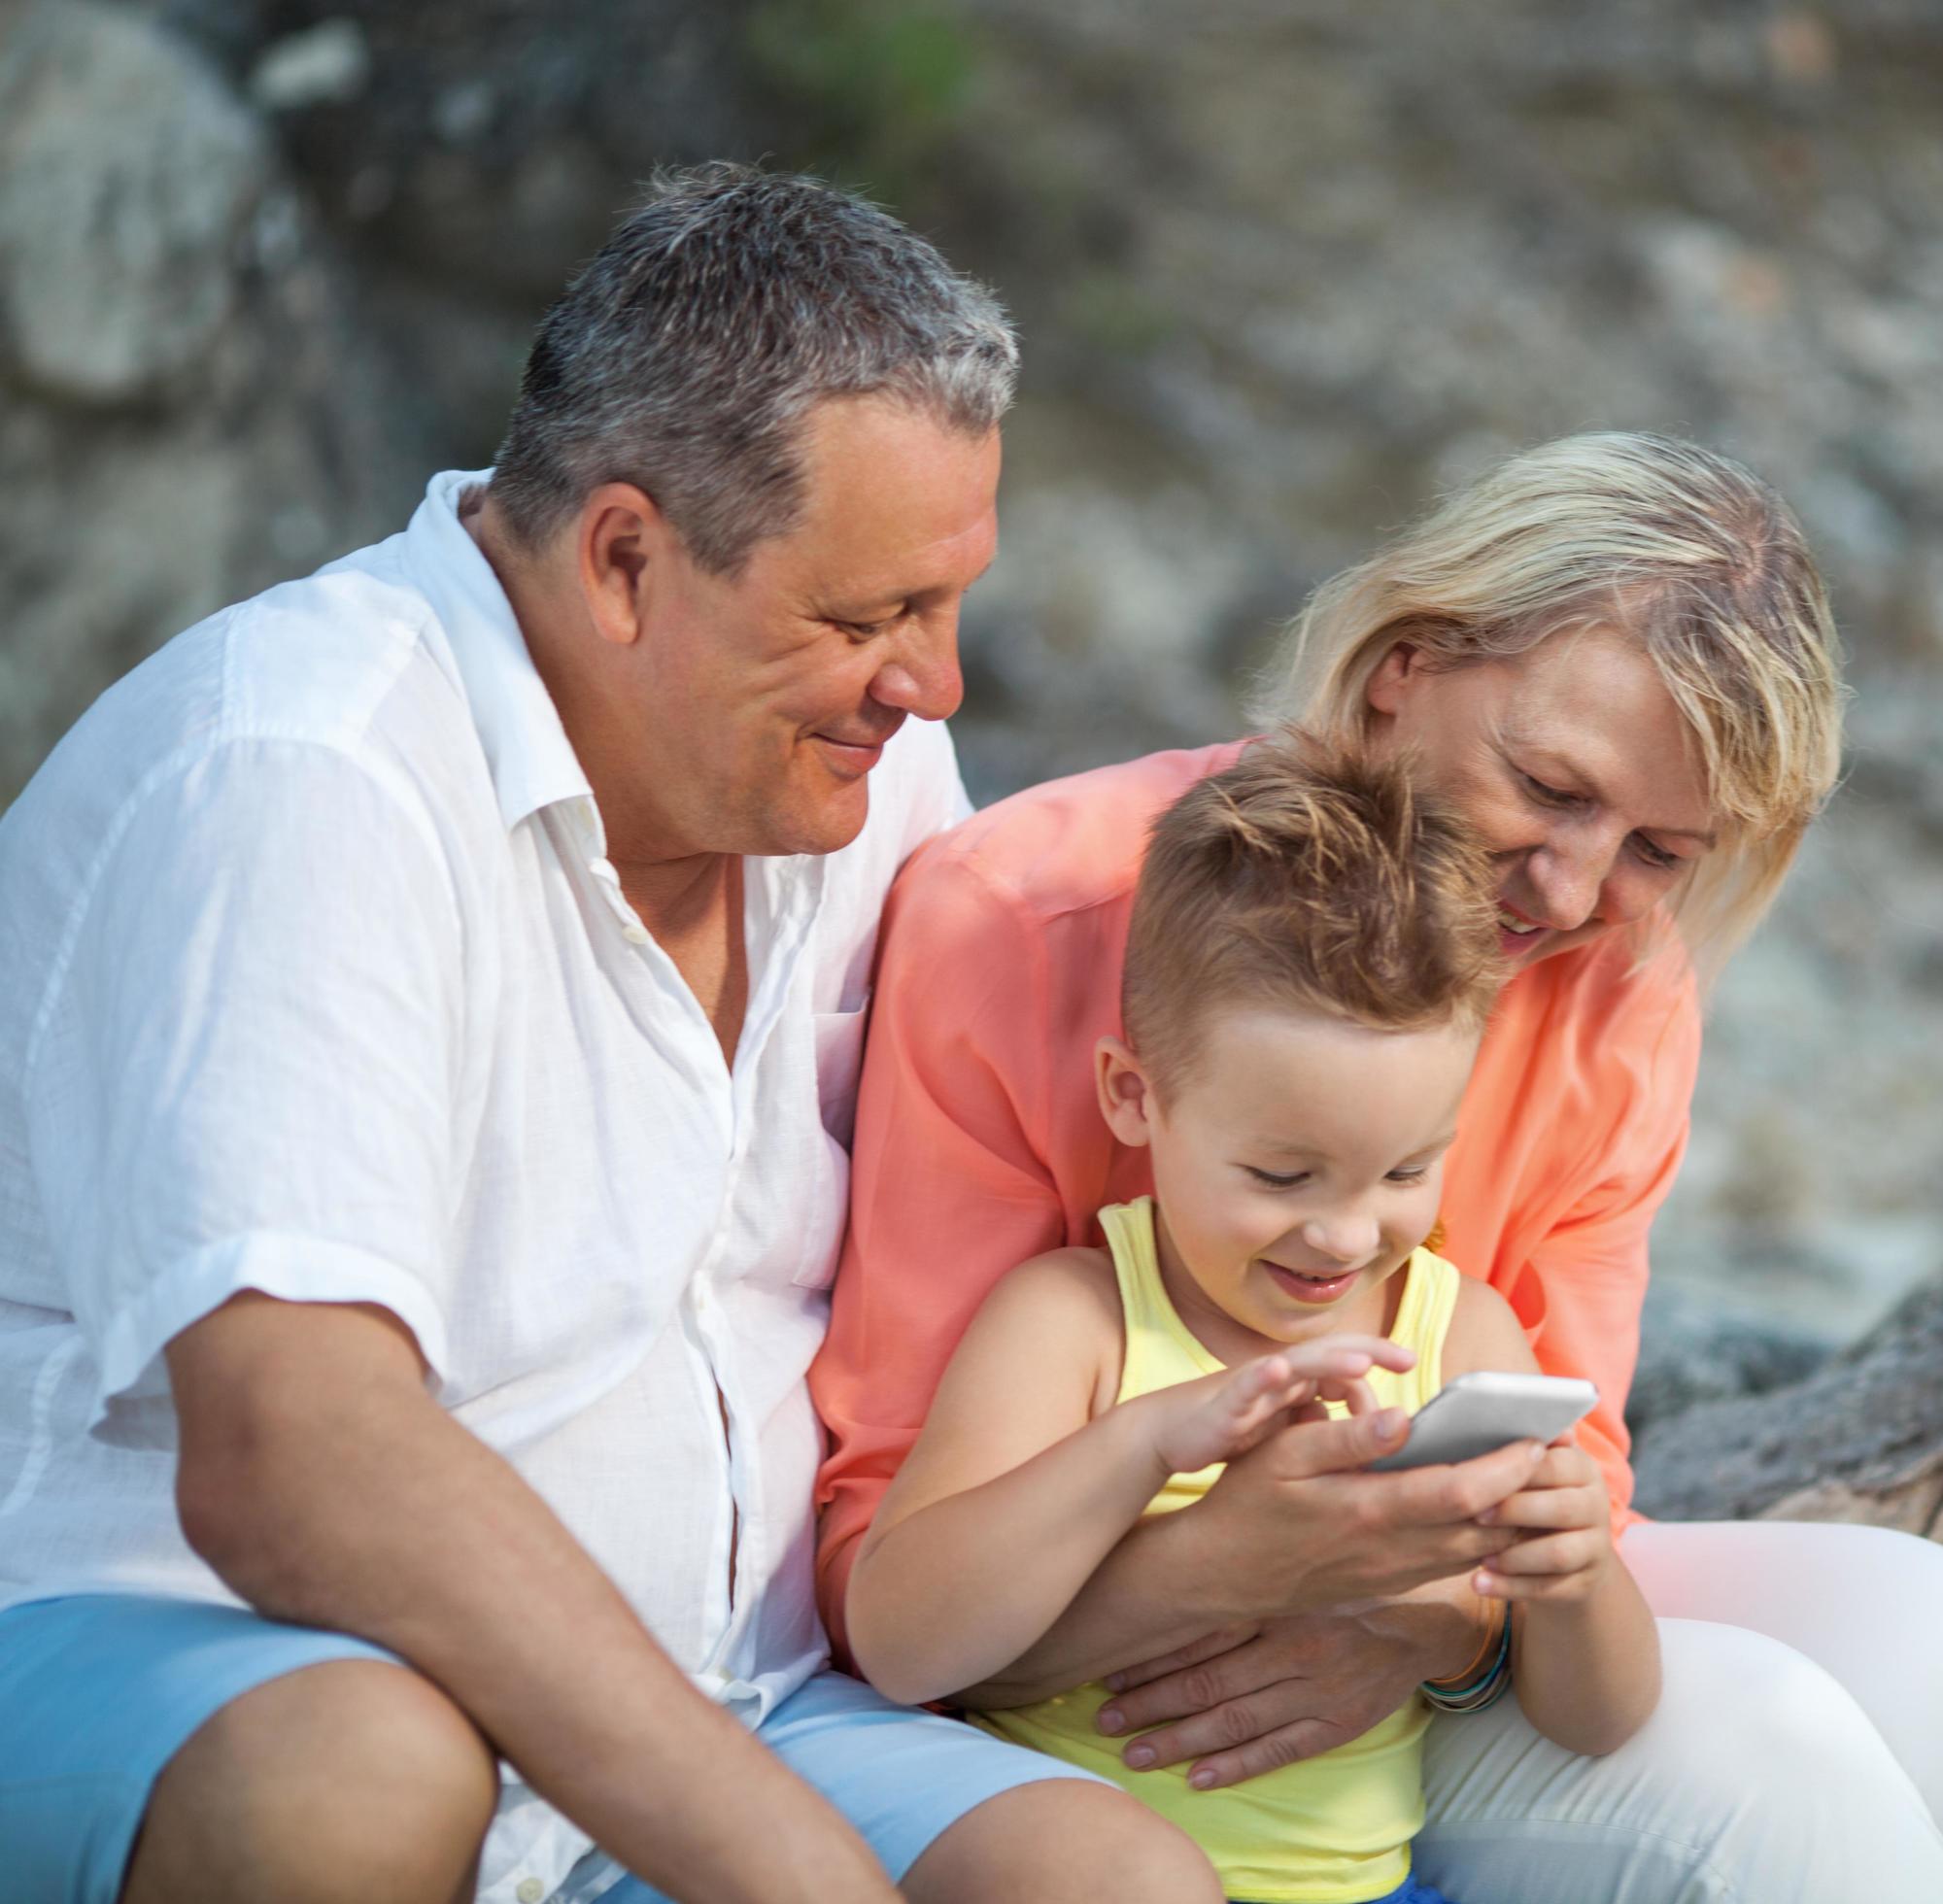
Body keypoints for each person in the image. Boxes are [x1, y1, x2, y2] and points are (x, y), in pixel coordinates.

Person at [0, 166, 1220, 1904]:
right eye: (866, 617)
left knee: (1109, 1887)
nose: (933, 686)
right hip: (187, 1660)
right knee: (352, 1783)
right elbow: (293, 1454)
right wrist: (797, 1877)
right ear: (627, 558)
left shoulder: (856, 773)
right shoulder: (298, 770)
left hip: (737, 1703)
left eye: (949, 608)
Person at [814, 431, 1943, 1902]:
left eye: (1663, 850)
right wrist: (1238, 1570)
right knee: (1789, 1772)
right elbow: (877, 1577)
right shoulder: (1021, 916)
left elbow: (1569, 1478)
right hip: (1058, 1712)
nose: (1579, 894)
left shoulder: (1624, 995)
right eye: (1552, 786)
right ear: (1407, 661)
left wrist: (1437, 1629)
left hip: (1406, 1676)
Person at [847, 743, 1663, 1904]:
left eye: (1405, 1170)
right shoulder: (1077, 1320)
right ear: (1135, 1098)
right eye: (1283, 1175)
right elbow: (902, 1640)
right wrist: (1140, 1445)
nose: (1342, 1235)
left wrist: (1577, 1578)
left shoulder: (1459, 1332)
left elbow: (1600, 1722)